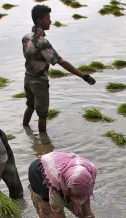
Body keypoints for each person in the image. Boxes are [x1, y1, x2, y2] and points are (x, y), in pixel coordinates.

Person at [22, 4, 96, 133]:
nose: (50, 21)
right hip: (39, 82)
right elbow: (61, 62)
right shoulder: (42, 42)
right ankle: (44, 144)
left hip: (27, 79)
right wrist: (84, 75)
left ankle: (25, 129)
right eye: (47, 18)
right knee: (42, 115)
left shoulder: (26, 37)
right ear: (39, 20)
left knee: (30, 106)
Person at [28, 151, 98, 218]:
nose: (76, 199)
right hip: (39, 177)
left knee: (87, 217)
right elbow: (58, 213)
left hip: (67, 176)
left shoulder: (89, 173)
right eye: (74, 196)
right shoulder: (56, 185)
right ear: (67, 188)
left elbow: (85, 195)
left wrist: (88, 217)